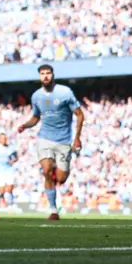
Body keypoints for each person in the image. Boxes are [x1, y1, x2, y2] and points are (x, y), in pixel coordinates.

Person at [18, 64, 85, 220]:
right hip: (44, 138)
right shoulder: (36, 96)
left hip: (64, 140)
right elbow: (36, 118)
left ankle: (56, 173)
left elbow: (80, 115)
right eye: (42, 74)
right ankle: (54, 210)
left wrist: (77, 137)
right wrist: (25, 125)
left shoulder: (65, 93)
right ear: (39, 77)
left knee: (61, 179)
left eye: (48, 73)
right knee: (46, 170)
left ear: (53, 75)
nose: (46, 76)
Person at [0, 132, 18, 209]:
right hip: (0, 170)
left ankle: (11, 203)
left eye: (5, 138)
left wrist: (13, 160)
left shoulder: (10, 148)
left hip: (9, 169)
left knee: (10, 187)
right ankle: (2, 202)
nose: (4, 140)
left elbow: (15, 157)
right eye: (2, 138)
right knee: (1, 188)